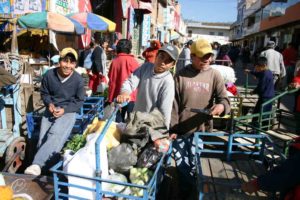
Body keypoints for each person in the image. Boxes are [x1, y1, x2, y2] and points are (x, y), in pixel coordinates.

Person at [169, 38, 230, 198]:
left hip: (201, 130)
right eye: (202, 56)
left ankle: (195, 189)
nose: (207, 60)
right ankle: (186, 191)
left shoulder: (214, 75)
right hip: (181, 130)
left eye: (209, 56)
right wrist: (173, 128)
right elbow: (173, 105)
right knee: (182, 164)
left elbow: (224, 99)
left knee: (196, 163)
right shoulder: (181, 75)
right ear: (192, 56)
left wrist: (221, 107)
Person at [24, 48, 85, 176]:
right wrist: (49, 104)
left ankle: (37, 164)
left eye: (71, 63)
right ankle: (46, 173)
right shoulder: (49, 75)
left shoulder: (78, 80)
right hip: (51, 109)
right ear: (59, 61)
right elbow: (44, 93)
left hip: (69, 110)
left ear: (75, 64)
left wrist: (65, 110)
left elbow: (79, 101)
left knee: (55, 134)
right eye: (65, 61)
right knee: (42, 139)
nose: (68, 66)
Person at [116, 44, 179, 128]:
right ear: (156, 56)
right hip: (135, 120)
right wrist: (125, 92)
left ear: (173, 65)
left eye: (168, 61)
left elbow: (165, 110)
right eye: (161, 57)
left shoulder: (168, 81)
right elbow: (130, 82)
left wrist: (163, 133)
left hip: (151, 126)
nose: (163, 62)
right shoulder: (146, 67)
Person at [108, 39, 139, 122]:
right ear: (129, 49)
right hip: (130, 96)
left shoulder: (114, 61)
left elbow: (110, 76)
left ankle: (118, 133)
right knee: (130, 119)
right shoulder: (133, 61)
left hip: (117, 95)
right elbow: (138, 77)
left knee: (118, 118)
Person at [245, 56, 275, 127]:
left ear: (264, 66)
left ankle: (261, 128)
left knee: (263, 113)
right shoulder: (267, 71)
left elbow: (260, 87)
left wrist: (253, 92)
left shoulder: (265, 74)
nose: (257, 68)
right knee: (258, 111)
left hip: (266, 97)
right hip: (266, 96)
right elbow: (258, 74)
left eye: (258, 67)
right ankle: (254, 125)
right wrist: (250, 72)